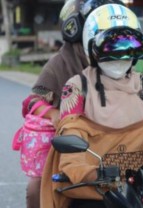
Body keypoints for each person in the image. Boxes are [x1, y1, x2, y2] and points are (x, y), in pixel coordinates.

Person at [40, 4, 143, 208]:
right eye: (110, 47)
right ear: (90, 46)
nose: (120, 55)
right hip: (97, 188)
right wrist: (82, 169)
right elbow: (71, 130)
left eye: (128, 46)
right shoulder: (77, 86)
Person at [20, 1, 128, 208]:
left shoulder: (123, 60)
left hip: (121, 145)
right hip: (74, 148)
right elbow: (33, 100)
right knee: (36, 188)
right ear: (77, 29)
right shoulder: (62, 63)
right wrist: (54, 114)